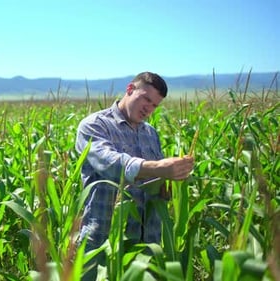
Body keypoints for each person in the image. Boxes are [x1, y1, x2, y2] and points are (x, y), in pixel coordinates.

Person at [75, 71, 194, 280]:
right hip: (103, 241)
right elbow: (110, 163)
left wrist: (170, 182)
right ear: (130, 90)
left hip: (147, 243)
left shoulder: (150, 133)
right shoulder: (95, 125)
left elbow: (155, 176)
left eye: (155, 105)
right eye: (146, 99)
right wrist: (158, 168)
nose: (149, 108)